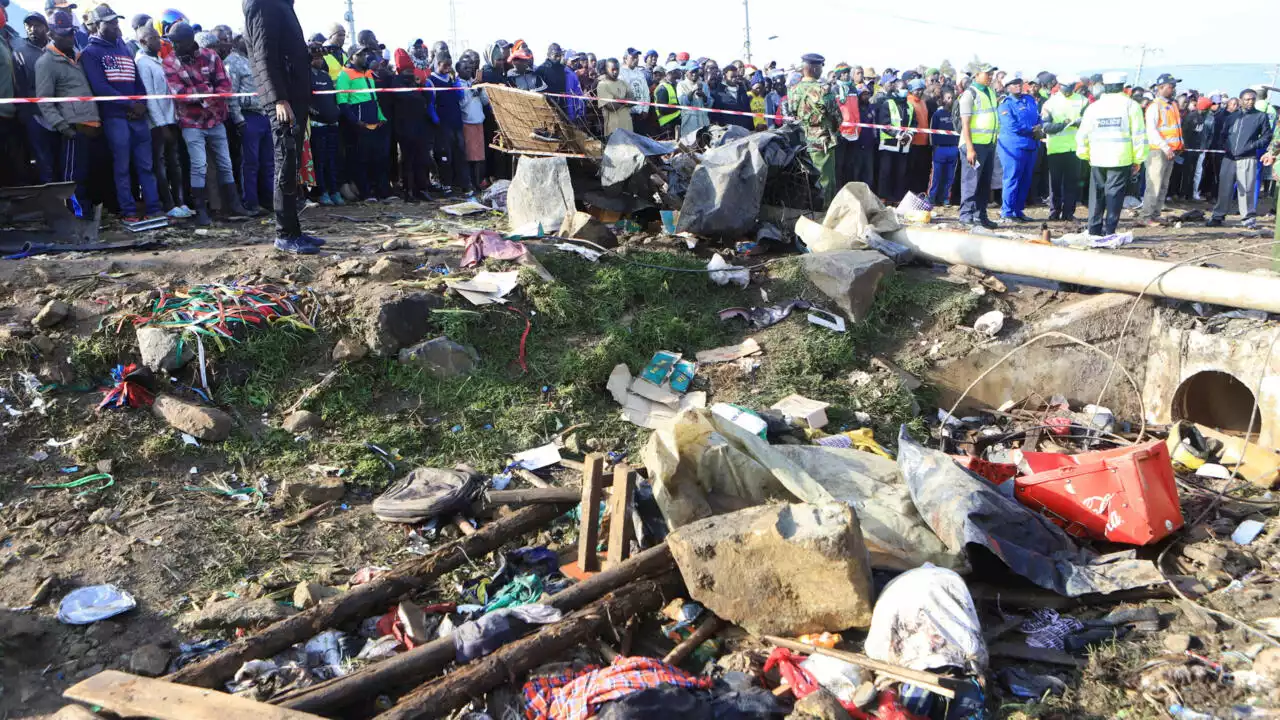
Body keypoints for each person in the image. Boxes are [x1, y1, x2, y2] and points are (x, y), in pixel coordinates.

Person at [80, 3, 164, 223]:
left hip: (137, 117)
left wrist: (141, 104)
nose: (116, 25)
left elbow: (138, 81)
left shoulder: (125, 48)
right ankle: (128, 211)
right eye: (110, 22)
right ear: (98, 25)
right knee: (122, 167)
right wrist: (130, 105)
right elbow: (100, 87)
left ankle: (154, 208)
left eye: (116, 21)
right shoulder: (90, 53)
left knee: (146, 166)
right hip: (115, 118)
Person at [242, 0, 314, 248]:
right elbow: (264, 55)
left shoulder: (281, 5)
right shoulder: (263, 4)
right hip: (284, 99)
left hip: (293, 93)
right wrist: (278, 99)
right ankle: (285, 234)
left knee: (291, 162)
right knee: (284, 160)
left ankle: (294, 230)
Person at [163, 21, 244, 226]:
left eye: (177, 42)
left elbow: (225, 86)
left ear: (190, 41)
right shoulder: (170, 62)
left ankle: (235, 206)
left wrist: (202, 95)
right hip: (191, 122)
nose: (174, 46)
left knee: (225, 163)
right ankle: (201, 210)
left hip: (216, 119)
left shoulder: (211, 55)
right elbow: (179, 94)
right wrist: (209, 92)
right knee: (199, 166)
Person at [34, 10, 97, 212]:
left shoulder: (79, 57)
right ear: (51, 34)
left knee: (88, 173)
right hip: (72, 127)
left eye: (71, 33)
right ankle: (75, 217)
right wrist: (63, 127)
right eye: (63, 34)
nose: (69, 38)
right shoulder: (46, 62)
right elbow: (44, 101)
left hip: (92, 125)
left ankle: (87, 214)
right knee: (73, 177)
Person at [1077, 71, 1145, 237]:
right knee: (1114, 196)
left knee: (1097, 195)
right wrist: (1138, 159)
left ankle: (1093, 230)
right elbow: (1139, 135)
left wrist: (1085, 154)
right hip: (1120, 158)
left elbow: (1082, 134)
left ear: (1105, 87)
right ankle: (1109, 231)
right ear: (1122, 87)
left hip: (1097, 158)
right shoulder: (1131, 106)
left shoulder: (1094, 107)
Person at [135, 24, 191, 218]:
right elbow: (149, 96)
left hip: (171, 119)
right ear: (143, 41)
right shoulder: (142, 63)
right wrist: (161, 124)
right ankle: (168, 204)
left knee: (174, 162)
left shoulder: (159, 60)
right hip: (157, 124)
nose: (159, 41)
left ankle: (180, 202)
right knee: (160, 165)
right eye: (154, 38)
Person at [220, 26, 270, 216]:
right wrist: (238, 119)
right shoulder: (232, 62)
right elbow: (231, 94)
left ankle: (271, 200)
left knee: (269, 162)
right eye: (245, 37)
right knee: (250, 163)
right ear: (238, 39)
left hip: (264, 115)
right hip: (248, 116)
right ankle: (251, 202)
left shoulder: (257, 59)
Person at [1208, 89, 1271, 228]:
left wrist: (1252, 145)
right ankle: (1218, 216)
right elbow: (1223, 134)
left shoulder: (1260, 116)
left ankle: (1248, 218)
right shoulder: (1232, 117)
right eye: (1247, 99)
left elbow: (1267, 136)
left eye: (1253, 99)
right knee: (1224, 188)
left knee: (1247, 189)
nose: (1250, 102)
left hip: (1248, 157)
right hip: (1229, 158)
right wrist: (1226, 147)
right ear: (1241, 100)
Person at [12, 12, 58, 185]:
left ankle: (69, 206)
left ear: (46, 27)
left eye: (37, 25)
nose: (32, 29)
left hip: (60, 114)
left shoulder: (57, 48)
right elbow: (20, 86)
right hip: (36, 116)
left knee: (62, 161)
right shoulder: (20, 53)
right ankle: (49, 206)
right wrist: (26, 116)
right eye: (28, 25)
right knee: (44, 163)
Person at [789, 53, 840, 206]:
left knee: (806, 179)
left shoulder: (793, 90)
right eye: (820, 66)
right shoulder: (823, 89)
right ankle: (824, 212)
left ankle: (808, 210)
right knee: (825, 179)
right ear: (813, 68)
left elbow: (792, 112)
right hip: (821, 141)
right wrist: (832, 129)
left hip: (802, 141)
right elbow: (837, 116)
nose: (821, 70)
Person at [958, 63, 1000, 228]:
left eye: (991, 74)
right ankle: (966, 216)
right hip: (973, 145)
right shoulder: (969, 95)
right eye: (987, 74)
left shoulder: (990, 92)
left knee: (984, 183)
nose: (990, 77)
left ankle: (980, 215)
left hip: (988, 144)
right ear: (976, 75)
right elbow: (965, 125)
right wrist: (970, 148)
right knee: (970, 182)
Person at [995, 74, 1041, 223]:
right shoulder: (1005, 104)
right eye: (1014, 84)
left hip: (1030, 144)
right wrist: (1031, 129)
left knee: (1025, 179)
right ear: (1008, 87)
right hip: (1013, 146)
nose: (1018, 86)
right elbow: (1011, 125)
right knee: (1012, 178)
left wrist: (1040, 127)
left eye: (1019, 83)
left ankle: (1018, 210)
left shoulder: (1029, 100)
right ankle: (1007, 212)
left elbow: (1037, 116)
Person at [1040, 76, 1087, 221]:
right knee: (1055, 183)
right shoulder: (1050, 103)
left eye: (1071, 87)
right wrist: (1065, 124)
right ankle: (1054, 211)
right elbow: (1046, 127)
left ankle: (1068, 212)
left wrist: (1080, 123)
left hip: (1075, 148)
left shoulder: (1082, 100)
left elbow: (1089, 122)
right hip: (1056, 148)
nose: (1068, 91)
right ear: (1060, 86)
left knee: (1071, 183)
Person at [1140, 73, 1184, 226]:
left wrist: (1179, 146)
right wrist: (1166, 147)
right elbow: (1152, 131)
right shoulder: (1155, 106)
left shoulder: (1172, 105)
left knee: (1163, 185)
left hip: (1171, 151)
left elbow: (1176, 129)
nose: (1173, 89)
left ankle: (1156, 213)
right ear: (1160, 88)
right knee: (1154, 184)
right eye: (1170, 87)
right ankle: (1147, 215)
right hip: (1158, 151)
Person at [307, 41, 342, 206]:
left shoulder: (325, 76)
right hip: (317, 126)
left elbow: (333, 97)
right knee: (320, 161)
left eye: (321, 58)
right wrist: (314, 112)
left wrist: (335, 112)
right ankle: (322, 192)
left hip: (332, 124)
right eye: (315, 57)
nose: (319, 60)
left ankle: (334, 190)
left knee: (332, 160)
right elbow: (304, 100)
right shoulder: (306, 76)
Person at [430, 54, 470, 194]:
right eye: (444, 65)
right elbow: (430, 103)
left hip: (456, 122)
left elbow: (460, 96)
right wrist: (436, 119)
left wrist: (455, 82)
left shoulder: (452, 79)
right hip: (443, 124)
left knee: (460, 153)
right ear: (438, 64)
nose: (447, 69)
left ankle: (464, 184)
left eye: (449, 65)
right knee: (445, 155)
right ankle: (446, 184)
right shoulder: (432, 81)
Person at [876, 78, 914, 203]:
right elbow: (884, 124)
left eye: (906, 89)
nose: (905, 91)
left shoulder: (909, 106)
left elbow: (914, 124)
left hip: (904, 146)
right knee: (886, 173)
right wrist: (899, 135)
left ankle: (898, 198)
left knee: (901, 174)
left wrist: (909, 135)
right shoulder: (888, 103)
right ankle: (883, 197)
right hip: (889, 145)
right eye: (902, 88)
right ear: (896, 89)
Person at [929, 87, 959, 206]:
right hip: (940, 149)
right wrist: (934, 147)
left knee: (950, 176)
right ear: (942, 99)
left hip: (953, 148)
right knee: (936, 176)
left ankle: (945, 198)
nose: (950, 100)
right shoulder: (937, 114)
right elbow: (932, 131)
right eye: (948, 98)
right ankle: (932, 197)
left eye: (952, 98)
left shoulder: (957, 115)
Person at [906, 76, 932, 194]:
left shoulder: (923, 103)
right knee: (912, 171)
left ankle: (920, 193)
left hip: (924, 143)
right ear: (911, 90)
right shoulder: (908, 102)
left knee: (922, 171)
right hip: (913, 143)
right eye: (917, 89)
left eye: (921, 89)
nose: (920, 92)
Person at [596, 57, 632, 136]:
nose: (615, 72)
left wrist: (617, 100)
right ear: (606, 69)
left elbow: (633, 100)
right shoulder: (602, 85)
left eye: (617, 69)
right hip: (612, 129)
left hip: (628, 127)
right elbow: (611, 106)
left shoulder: (624, 83)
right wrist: (625, 101)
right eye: (613, 69)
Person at [619, 49, 650, 134]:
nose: (636, 59)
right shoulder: (620, 73)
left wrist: (645, 109)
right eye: (633, 57)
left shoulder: (640, 73)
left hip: (640, 113)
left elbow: (646, 92)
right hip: (627, 113)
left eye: (637, 57)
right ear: (625, 58)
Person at [677, 63, 710, 138]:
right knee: (690, 146)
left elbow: (709, 104)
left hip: (703, 121)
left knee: (704, 145)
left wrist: (703, 96)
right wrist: (693, 90)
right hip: (689, 122)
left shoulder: (704, 85)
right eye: (692, 72)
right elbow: (683, 102)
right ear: (686, 72)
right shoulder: (681, 85)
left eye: (696, 71)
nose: (694, 74)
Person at [535, 42, 568, 111]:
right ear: (548, 55)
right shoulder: (541, 69)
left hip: (562, 106)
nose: (558, 58)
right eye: (556, 56)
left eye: (560, 55)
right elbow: (537, 91)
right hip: (547, 107)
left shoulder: (562, 69)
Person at [653, 63, 681, 138]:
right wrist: (678, 106)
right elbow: (663, 109)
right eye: (678, 71)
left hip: (673, 123)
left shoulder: (670, 86)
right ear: (672, 72)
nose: (680, 72)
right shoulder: (662, 88)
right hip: (667, 126)